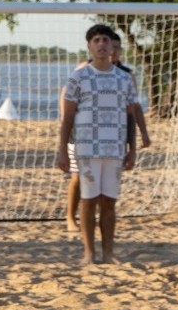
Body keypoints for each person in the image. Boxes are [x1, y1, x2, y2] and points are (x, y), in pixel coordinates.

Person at [57, 24, 141, 265]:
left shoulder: (124, 78)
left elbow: (130, 114)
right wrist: (63, 149)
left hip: (114, 149)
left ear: (112, 45)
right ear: (89, 46)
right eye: (97, 41)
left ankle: (108, 253)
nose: (102, 45)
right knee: (89, 199)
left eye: (105, 40)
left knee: (109, 202)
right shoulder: (78, 77)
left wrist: (132, 149)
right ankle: (88, 253)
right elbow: (68, 117)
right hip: (86, 148)